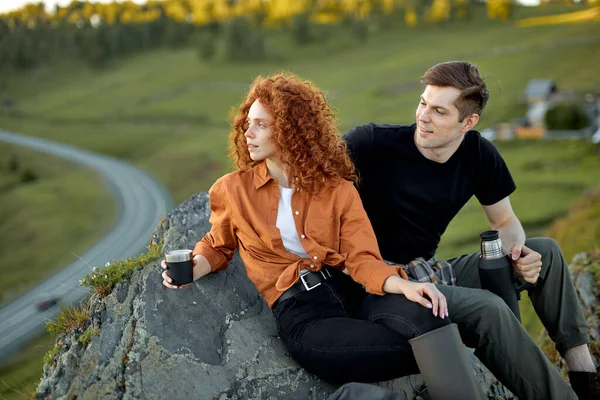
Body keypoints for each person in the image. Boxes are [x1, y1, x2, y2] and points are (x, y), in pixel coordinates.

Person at [161, 72, 454, 385]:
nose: (248, 133)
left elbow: (363, 260)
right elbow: (218, 245)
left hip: (350, 291)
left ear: (291, 130)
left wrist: (403, 285)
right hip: (304, 314)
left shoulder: (338, 190)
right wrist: (193, 268)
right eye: (248, 123)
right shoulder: (233, 190)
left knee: (430, 321)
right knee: (421, 351)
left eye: (261, 124)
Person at [343, 61, 600, 400]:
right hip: (377, 285)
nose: (422, 116)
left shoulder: (478, 154)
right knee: (488, 308)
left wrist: (517, 254)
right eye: (423, 103)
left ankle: (586, 378)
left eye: (438, 111)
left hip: (426, 272)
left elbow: (504, 222)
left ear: (468, 122)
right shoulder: (370, 143)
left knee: (547, 251)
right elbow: (306, 178)